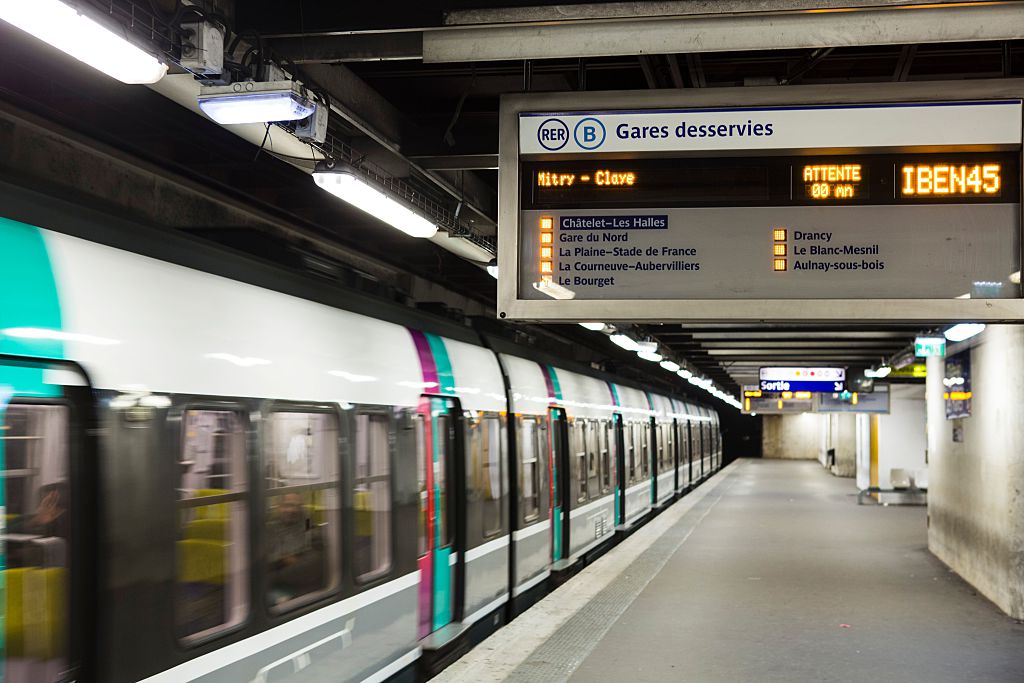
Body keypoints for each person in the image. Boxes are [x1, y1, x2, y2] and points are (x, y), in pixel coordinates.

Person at [266, 492, 323, 606]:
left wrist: (283, 563)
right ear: (279, 507)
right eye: (287, 505)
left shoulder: (307, 524)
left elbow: (314, 560)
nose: (291, 510)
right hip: (271, 582)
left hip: (300, 585)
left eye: (295, 506)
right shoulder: (270, 526)